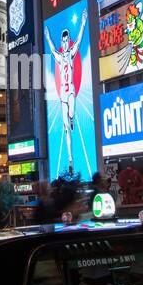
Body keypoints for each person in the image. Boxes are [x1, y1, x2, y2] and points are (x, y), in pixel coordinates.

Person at [44, 13, 88, 175]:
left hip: (71, 90)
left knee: (71, 114)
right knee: (66, 129)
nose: (64, 42)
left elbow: (79, 40)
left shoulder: (71, 54)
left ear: (67, 40)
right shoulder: (60, 57)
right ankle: (70, 159)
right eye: (62, 40)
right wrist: (48, 37)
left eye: (66, 39)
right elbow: (51, 48)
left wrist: (83, 23)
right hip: (63, 92)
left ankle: (71, 118)